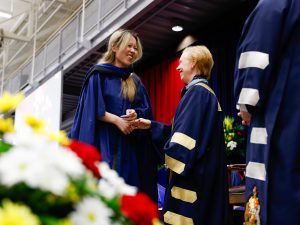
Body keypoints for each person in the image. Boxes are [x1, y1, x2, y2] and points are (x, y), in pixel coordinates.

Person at [134, 45, 228, 225]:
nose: (178, 67)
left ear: (193, 63)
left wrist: (159, 158)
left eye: (181, 62)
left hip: (192, 182)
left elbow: (182, 144)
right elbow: (185, 134)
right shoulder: (205, 93)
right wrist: (151, 126)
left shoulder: (197, 93)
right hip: (203, 177)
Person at [69, 29, 158, 201]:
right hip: (104, 142)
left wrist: (135, 114)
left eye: (135, 47)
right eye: (129, 46)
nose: (133, 50)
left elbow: (146, 110)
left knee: (127, 192)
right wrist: (117, 120)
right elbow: (90, 107)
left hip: (128, 146)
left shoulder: (134, 81)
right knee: (104, 190)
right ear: (115, 47)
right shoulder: (98, 75)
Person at [234, 0, 300, 224]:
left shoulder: (276, 4)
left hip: (283, 119)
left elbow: (256, 52)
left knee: (274, 193)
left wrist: (246, 103)